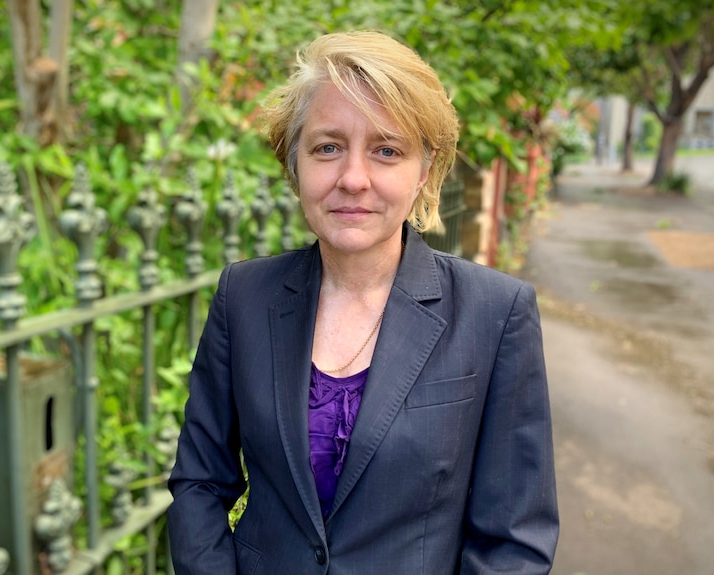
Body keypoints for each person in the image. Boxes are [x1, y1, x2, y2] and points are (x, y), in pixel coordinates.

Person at [167, 30, 558, 574]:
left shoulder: (495, 313)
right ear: (294, 164)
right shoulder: (245, 297)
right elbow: (200, 483)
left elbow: (513, 539)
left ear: (424, 171)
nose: (353, 179)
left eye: (386, 150)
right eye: (327, 147)